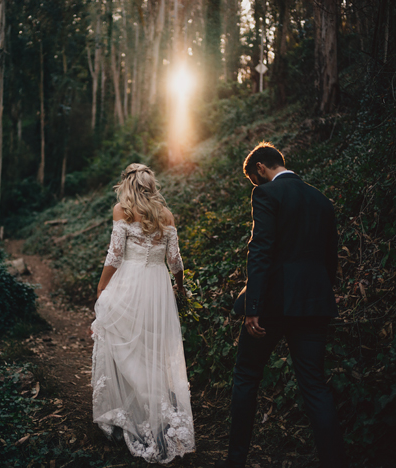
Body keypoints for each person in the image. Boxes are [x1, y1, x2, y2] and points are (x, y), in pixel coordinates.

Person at [218, 142, 346, 468]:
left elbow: (260, 250)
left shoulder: (266, 195)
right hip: (314, 303)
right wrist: (319, 294)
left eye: (254, 179)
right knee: (315, 386)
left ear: (260, 167)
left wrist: (253, 305)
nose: (255, 186)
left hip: (273, 304)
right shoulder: (321, 200)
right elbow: (330, 259)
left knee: (246, 375)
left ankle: (236, 461)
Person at [91, 163, 195, 464]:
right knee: (153, 349)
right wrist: (180, 289)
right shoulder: (166, 215)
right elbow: (175, 260)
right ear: (150, 186)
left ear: (129, 185)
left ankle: (141, 410)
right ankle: (159, 414)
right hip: (158, 286)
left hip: (131, 281)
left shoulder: (122, 210)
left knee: (124, 343)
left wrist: (101, 288)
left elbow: (115, 254)